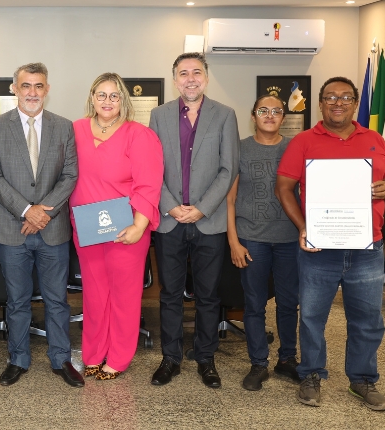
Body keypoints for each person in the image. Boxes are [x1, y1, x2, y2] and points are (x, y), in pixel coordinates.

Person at [276, 76, 385, 411]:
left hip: (367, 248)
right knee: (312, 317)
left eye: (345, 97)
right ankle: (311, 376)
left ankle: (362, 380)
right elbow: (284, 187)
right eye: (330, 97)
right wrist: (303, 227)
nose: (338, 102)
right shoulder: (303, 141)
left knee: (367, 319)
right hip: (319, 248)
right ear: (320, 103)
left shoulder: (374, 139)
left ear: (355, 103)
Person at [0, 62, 82, 388]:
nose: (32, 92)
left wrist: (43, 214)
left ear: (47, 89)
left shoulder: (63, 126)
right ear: (14, 89)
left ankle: (61, 358)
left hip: (53, 230)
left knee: (57, 300)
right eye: (26, 85)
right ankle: (18, 359)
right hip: (12, 229)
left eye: (39, 86)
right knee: (17, 301)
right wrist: (27, 211)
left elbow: (70, 175)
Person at [148, 52, 239, 389]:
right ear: (175, 80)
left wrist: (201, 208)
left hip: (208, 221)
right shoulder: (158, 115)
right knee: (170, 293)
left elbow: (228, 168)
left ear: (206, 78)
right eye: (183, 73)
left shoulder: (224, 115)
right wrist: (170, 206)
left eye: (196, 72)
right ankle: (170, 359)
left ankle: (206, 358)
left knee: (208, 295)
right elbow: (150, 167)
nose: (190, 79)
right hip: (170, 221)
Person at [70, 73, 163, 380]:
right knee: (94, 295)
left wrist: (139, 225)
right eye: (101, 94)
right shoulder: (76, 130)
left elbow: (149, 184)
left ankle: (119, 358)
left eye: (114, 95)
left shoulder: (140, 135)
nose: (107, 101)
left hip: (126, 229)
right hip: (87, 229)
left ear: (123, 100)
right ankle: (93, 354)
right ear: (92, 98)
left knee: (124, 296)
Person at [226, 94, 300, 392]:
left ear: (284, 117)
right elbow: (230, 199)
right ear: (253, 115)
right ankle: (258, 363)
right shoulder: (240, 149)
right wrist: (233, 241)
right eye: (263, 110)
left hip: (289, 239)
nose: (270, 115)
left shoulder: (295, 147)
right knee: (254, 304)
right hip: (252, 238)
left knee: (288, 303)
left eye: (276, 111)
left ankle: (287, 359)